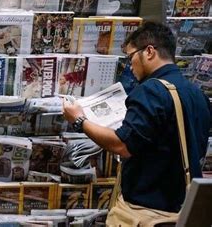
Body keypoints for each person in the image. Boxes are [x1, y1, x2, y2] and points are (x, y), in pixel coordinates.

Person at [63, 22, 210, 216]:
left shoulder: (151, 90)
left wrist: (79, 120)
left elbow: (122, 145)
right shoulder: (196, 93)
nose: (130, 65)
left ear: (149, 51)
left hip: (148, 209)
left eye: (131, 56)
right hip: (183, 207)